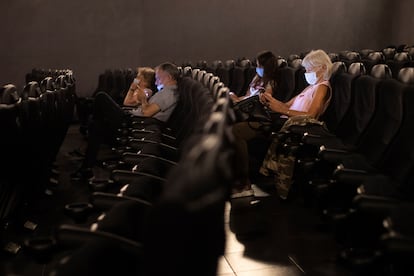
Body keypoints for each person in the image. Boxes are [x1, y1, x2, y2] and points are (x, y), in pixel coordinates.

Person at [231, 49, 333, 198]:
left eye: (309, 69)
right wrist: (270, 102)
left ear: (322, 68)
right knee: (235, 128)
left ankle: (243, 184)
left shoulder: (322, 87)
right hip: (280, 119)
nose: (306, 72)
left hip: (293, 127)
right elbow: (286, 105)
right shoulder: (310, 87)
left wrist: (281, 109)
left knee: (236, 132)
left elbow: (311, 115)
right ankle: (240, 181)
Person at [72, 62, 180, 180]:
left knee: (101, 97)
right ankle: (86, 168)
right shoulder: (165, 92)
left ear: (168, 77)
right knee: (97, 126)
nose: (155, 81)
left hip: (133, 123)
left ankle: (87, 162)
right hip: (133, 119)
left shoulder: (169, 93)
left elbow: (147, 113)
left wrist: (143, 100)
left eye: (158, 77)